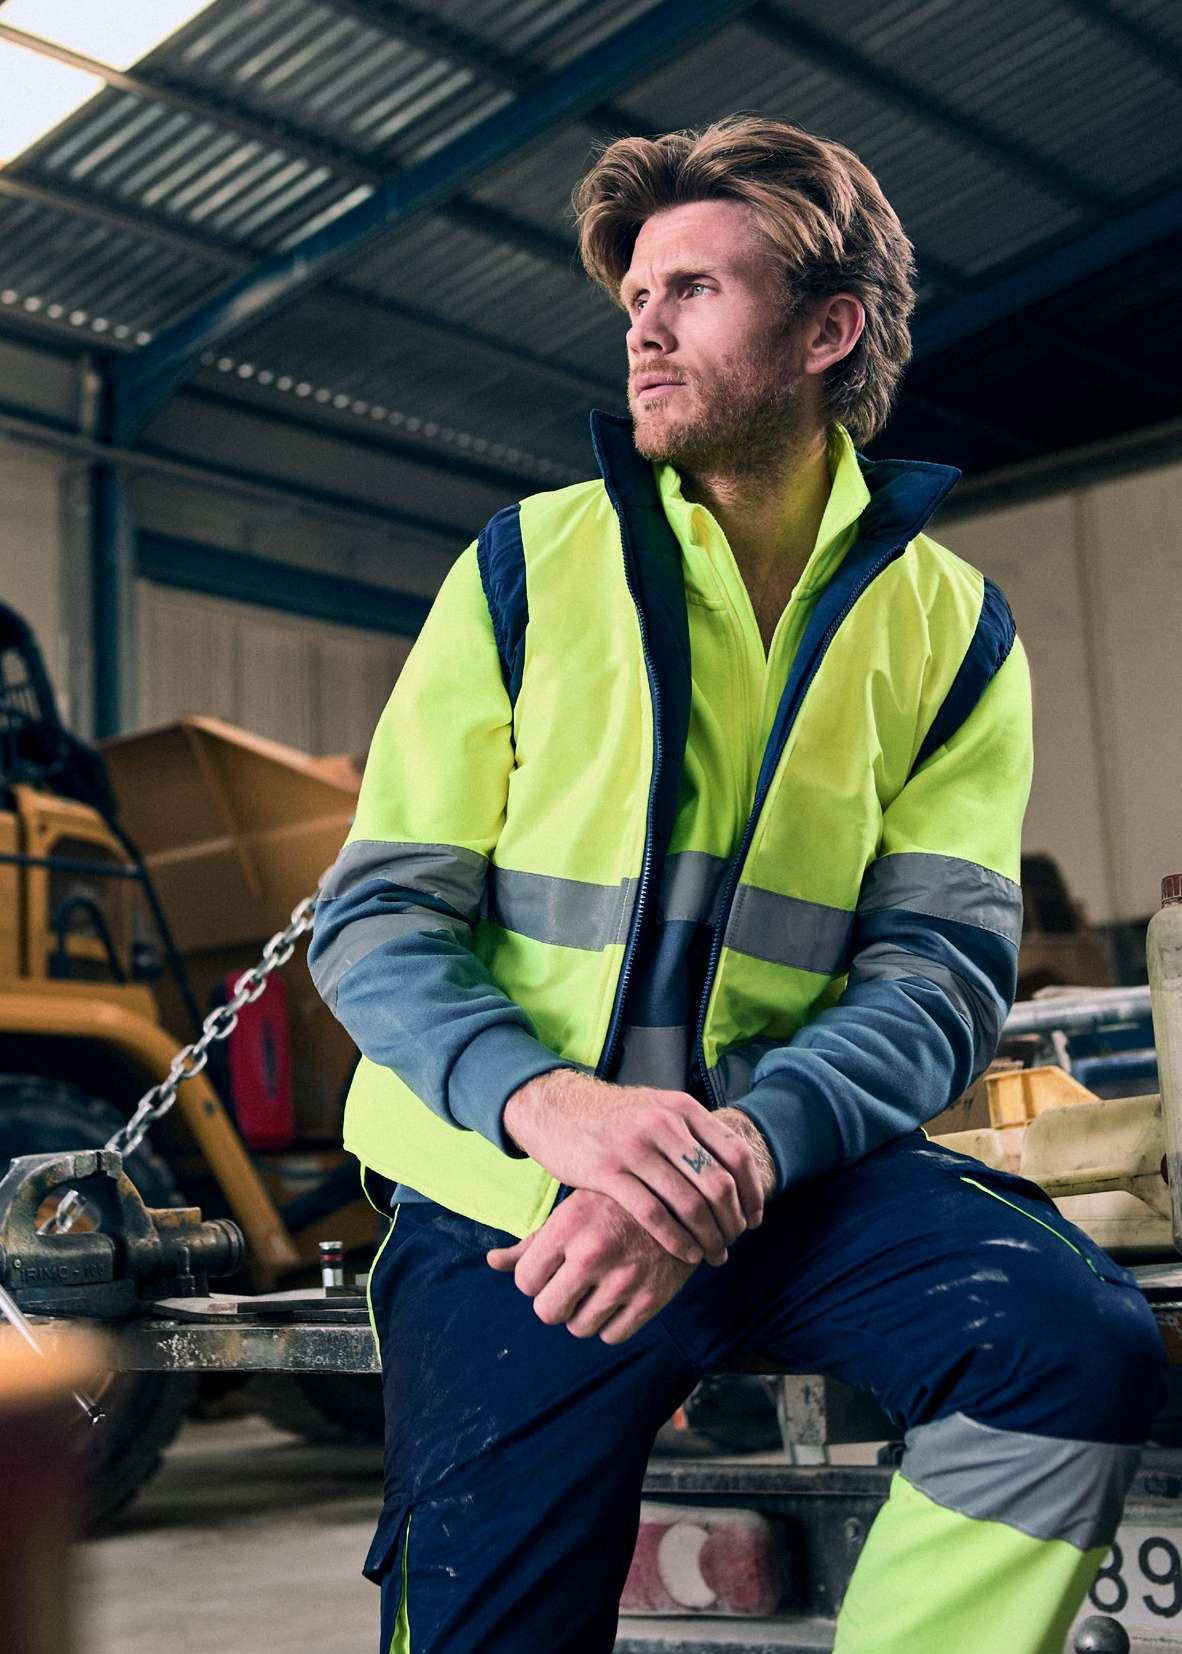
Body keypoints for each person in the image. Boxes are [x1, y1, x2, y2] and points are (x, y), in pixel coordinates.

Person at [309, 116, 1166, 1653]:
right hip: (516, 1202)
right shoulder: (523, 569)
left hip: (791, 1183)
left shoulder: (950, 631)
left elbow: (936, 980)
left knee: (1070, 1348)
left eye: (692, 290)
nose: (642, 328)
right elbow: (376, 921)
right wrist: (556, 1113)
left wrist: (738, 1155)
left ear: (827, 330)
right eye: (635, 296)